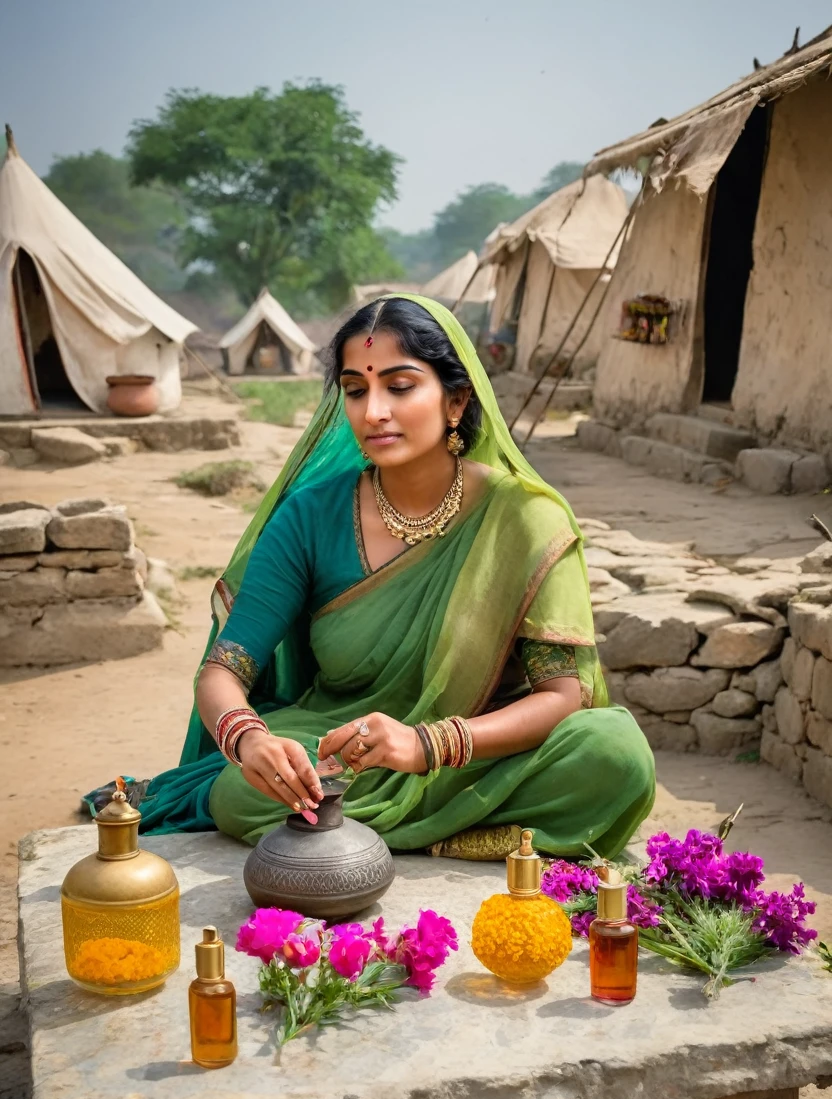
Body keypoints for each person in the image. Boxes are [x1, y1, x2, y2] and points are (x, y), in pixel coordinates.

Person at [107, 294, 654, 860]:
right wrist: (250, 740)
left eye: (399, 386)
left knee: (615, 753)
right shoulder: (311, 516)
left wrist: (427, 744)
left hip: (479, 754)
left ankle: (360, 834)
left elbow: (564, 696)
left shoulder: (525, 519)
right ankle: (461, 836)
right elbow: (224, 670)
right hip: (345, 750)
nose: (373, 413)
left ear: (456, 400)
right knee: (239, 793)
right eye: (355, 390)